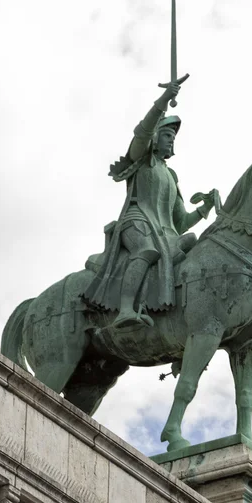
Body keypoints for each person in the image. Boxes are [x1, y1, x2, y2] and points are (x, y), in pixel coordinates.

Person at [83, 78, 216, 329]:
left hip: (165, 232)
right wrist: (164, 100)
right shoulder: (141, 159)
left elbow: (181, 221)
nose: (171, 141)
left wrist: (204, 208)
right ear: (155, 137)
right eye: (167, 135)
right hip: (136, 221)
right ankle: (124, 310)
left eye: (173, 138)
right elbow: (141, 132)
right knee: (145, 249)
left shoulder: (170, 176)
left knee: (191, 241)